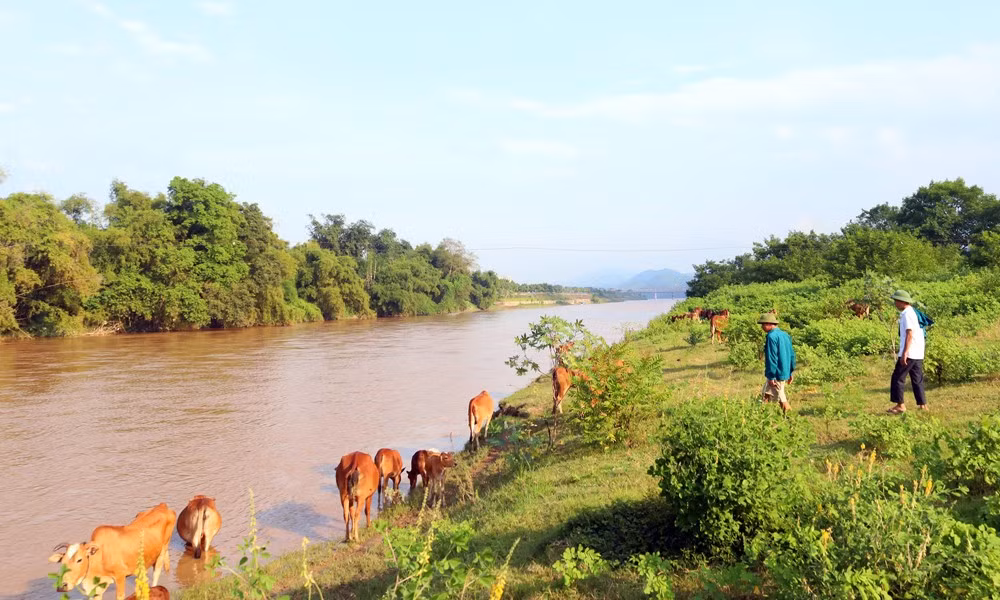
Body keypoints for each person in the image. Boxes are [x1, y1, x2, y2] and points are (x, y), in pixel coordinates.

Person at [887, 290, 927, 413]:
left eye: (896, 301)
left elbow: (909, 333)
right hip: (918, 351)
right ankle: (923, 405)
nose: (895, 303)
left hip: (910, 352)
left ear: (902, 301)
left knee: (898, 378)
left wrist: (904, 353)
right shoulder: (913, 312)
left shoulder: (907, 313)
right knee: (917, 379)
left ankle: (900, 405)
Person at [758, 312, 796, 415]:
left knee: (781, 398)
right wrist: (790, 372)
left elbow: (772, 358)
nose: (762, 327)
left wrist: (771, 376)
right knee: (765, 394)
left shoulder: (771, 337)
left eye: (763, 324)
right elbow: (792, 354)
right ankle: (761, 417)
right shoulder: (785, 335)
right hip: (784, 371)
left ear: (768, 324)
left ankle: (791, 419)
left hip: (777, 373)